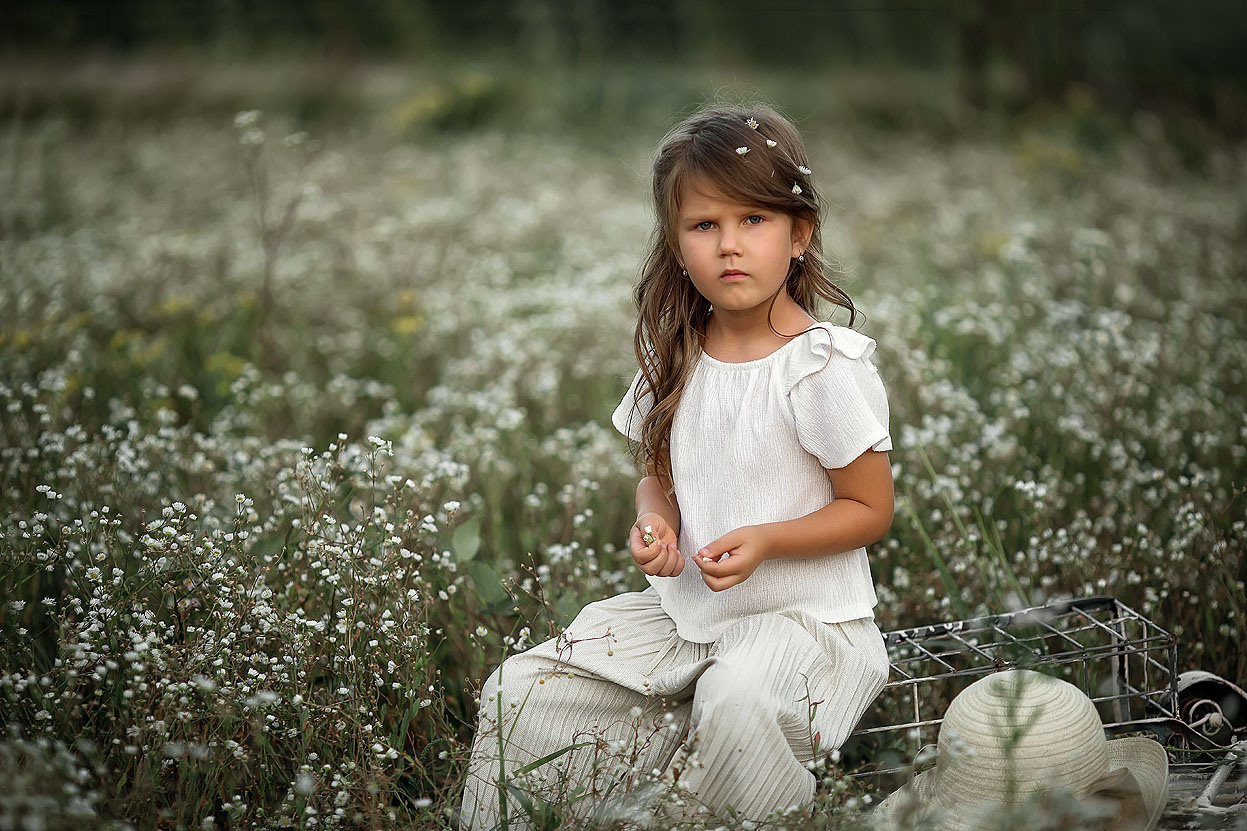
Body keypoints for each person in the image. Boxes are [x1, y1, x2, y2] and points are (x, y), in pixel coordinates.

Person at [458, 102, 895, 829]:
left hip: (802, 623)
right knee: (520, 689)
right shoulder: (678, 358)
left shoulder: (822, 367)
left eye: (753, 220)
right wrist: (654, 519)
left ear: (798, 233)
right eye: (704, 225)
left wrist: (766, 540)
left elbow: (868, 510)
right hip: (686, 616)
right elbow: (657, 472)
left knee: (735, 698)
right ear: (676, 242)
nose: (729, 245)